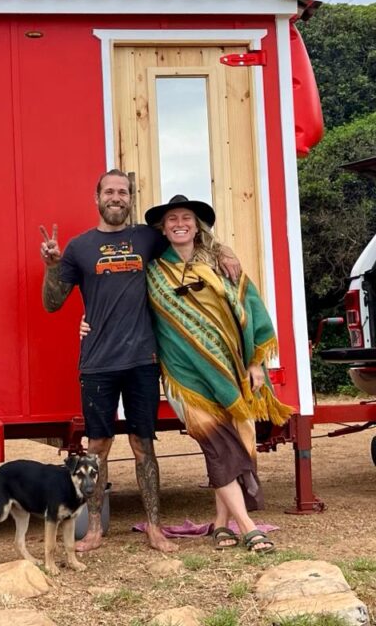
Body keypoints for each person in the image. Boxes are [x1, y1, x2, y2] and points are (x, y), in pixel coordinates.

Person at [41, 169, 181, 553]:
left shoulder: (147, 238)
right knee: (97, 446)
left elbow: (189, 242)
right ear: (97, 197)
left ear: (130, 198)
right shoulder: (79, 247)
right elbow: (53, 304)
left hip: (142, 358)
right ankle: (95, 532)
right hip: (98, 362)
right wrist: (52, 266)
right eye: (109, 191)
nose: (116, 197)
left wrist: (227, 252)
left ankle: (155, 528)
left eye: (123, 191)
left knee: (143, 445)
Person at [143, 195, 293, 553]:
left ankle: (223, 525)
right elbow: (119, 302)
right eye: (172, 219)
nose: (179, 223)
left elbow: (250, 306)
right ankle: (249, 527)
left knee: (237, 441)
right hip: (184, 378)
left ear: (197, 226)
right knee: (216, 444)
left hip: (231, 369)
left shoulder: (222, 264)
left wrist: (256, 363)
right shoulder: (151, 272)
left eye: (187, 218)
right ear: (163, 228)